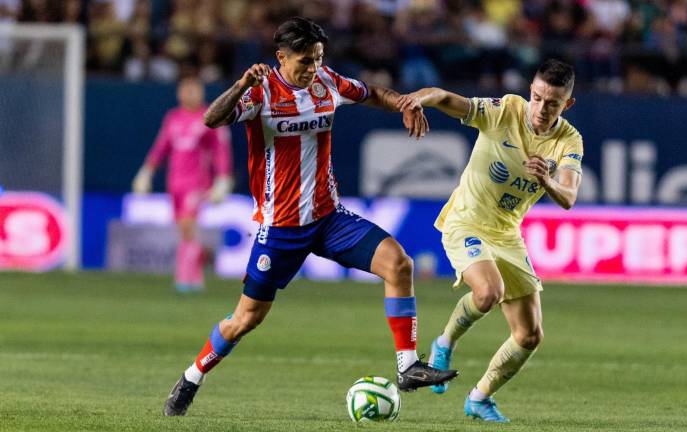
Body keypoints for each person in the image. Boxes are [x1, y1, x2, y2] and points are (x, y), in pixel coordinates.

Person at [163, 17, 457, 417]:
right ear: (282, 57)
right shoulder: (260, 92)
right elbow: (212, 119)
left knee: (398, 263)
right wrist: (240, 85)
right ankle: (192, 377)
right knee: (245, 319)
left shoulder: (327, 82)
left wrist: (406, 103)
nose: (314, 67)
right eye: (306, 60)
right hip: (281, 229)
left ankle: (407, 367)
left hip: (329, 218)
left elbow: (372, 93)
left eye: (319, 58)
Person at [397, 59, 584, 422]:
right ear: (530, 91)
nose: (541, 108)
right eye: (537, 97)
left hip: (507, 233)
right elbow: (448, 99)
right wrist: (419, 98)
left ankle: (480, 397)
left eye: (552, 103)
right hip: (466, 220)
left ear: (568, 104)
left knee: (529, 335)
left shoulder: (568, 140)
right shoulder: (506, 111)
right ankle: (444, 342)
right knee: (488, 292)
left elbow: (569, 196)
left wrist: (547, 181)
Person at [132, 76, 233, 293]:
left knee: (188, 225)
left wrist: (223, 178)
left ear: (201, 92)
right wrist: (147, 172)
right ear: (179, 93)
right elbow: (162, 147)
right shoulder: (173, 118)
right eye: (186, 90)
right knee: (183, 230)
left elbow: (220, 150)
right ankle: (192, 270)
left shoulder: (210, 117)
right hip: (175, 182)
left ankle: (189, 278)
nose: (190, 94)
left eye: (194, 90)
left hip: (197, 182)